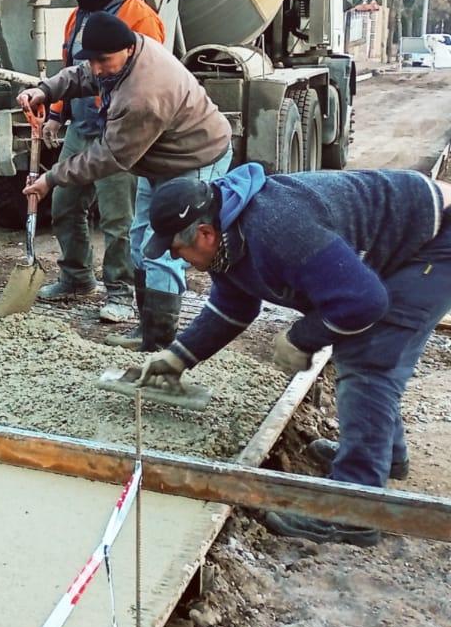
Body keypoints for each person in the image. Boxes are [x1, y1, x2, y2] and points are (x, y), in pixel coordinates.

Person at [128, 164, 451, 545]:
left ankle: (354, 511)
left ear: (204, 234)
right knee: (364, 352)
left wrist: (301, 337)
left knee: (367, 361)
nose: (179, 260)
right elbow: (233, 305)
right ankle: (383, 457)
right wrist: (178, 356)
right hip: (403, 234)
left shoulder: (278, 229)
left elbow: (365, 302)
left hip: (432, 241)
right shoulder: (225, 236)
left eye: (178, 250)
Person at [18, 11, 232, 350]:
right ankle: (148, 331)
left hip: (196, 158)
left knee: (167, 245)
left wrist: (52, 178)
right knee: (140, 241)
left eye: (104, 61)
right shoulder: (120, 55)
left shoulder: (142, 95)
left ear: (128, 50)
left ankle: (159, 347)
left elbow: (109, 157)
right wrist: (45, 90)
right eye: (95, 60)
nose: (98, 68)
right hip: (160, 159)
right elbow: (85, 74)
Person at [40, 0, 166, 324]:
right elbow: (71, 70)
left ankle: (121, 291)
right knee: (64, 204)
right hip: (81, 127)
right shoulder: (78, 17)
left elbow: (149, 81)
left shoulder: (138, 17)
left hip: (118, 133)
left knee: (117, 219)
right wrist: (56, 115)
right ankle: (77, 277)